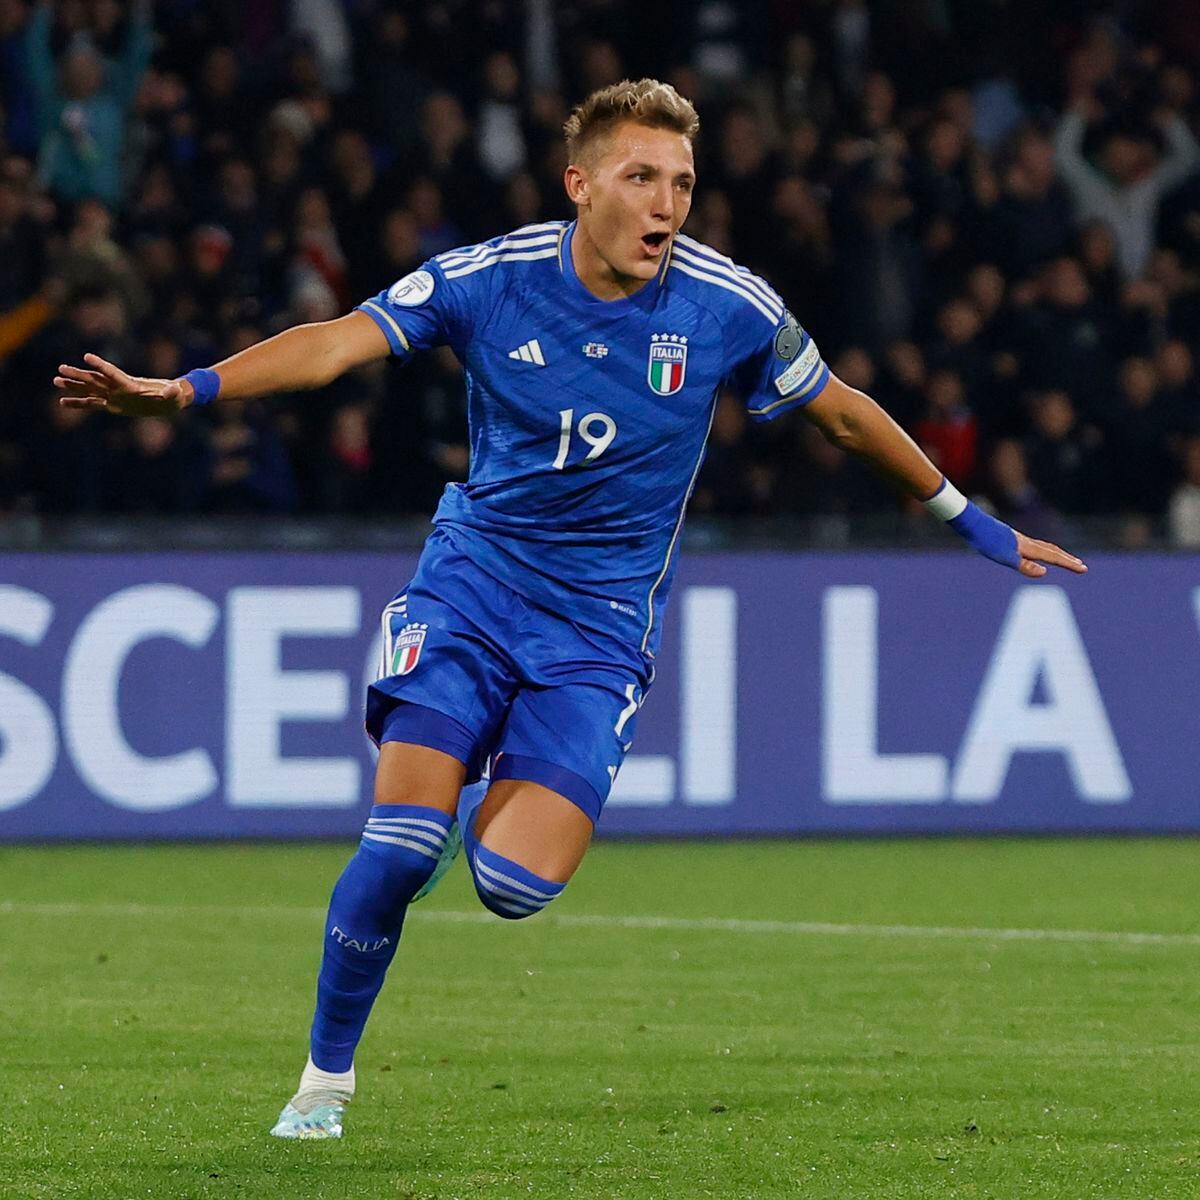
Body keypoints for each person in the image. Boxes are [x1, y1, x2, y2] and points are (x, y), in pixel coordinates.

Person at [54, 79, 1087, 1140]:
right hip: (472, 590)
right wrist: (185, 392)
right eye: (642, 177)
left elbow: (842, 416)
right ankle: (324, 1081)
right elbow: (333, 343)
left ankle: (483, 784)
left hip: (596, 636)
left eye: (682, 182)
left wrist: (974, 522)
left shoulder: (727, 303)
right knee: (404, 844)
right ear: (579, 184)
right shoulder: (489, 279)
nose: (667, 204)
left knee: (511, 886)